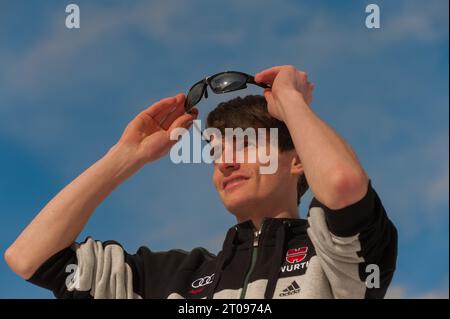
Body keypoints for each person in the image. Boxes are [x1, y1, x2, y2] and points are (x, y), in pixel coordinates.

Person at [4, 65, 397, 299]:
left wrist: (292, 103)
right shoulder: (172, 279)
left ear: (297, 162)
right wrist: (125, 157)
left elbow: (343, 184)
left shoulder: (335, 258)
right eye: (214, 153)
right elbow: (29, 257)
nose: (224, 162)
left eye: (245, 145)